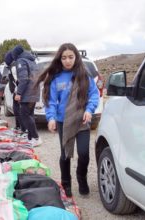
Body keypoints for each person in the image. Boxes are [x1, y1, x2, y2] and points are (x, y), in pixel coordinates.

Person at [36, 43, 99, 197]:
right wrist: (51, 118)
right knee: (65, 155)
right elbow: (50, 101)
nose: (67, 60)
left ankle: (81, 178)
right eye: (64, 58)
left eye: (71, 57)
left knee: (84, 154)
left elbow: (94, 94)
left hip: (82, 120)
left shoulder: (84, 75)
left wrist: (89, 110)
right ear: (60, 59)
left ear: (76, 57)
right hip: (63, 121)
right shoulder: (56, 77)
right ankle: (66, 183)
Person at [11, 46, 42, 146]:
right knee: (30, 115)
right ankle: (30, 138)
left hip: (27, 93)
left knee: (25, 115)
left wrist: (19, 93)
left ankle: (36, 138)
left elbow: (24, 79)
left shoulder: (21, 61)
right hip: (34, 91)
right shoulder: (32, 61)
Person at [4, 51, 26, 133]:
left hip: (18, 91)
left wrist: (18, 92)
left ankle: (22, 128)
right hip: (16, 91)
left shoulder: (13, 66)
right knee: (16, 109)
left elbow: (18, 80)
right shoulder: (11, 66)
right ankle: (18, 126)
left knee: (18, 110)